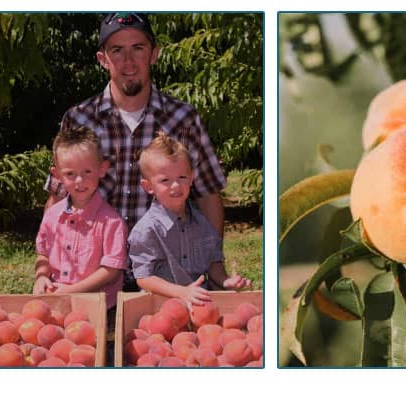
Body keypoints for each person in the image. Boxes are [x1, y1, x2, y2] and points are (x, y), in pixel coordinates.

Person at [43, 13, 227, 290]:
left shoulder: (183, 119)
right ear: (103, 59)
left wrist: (216, 268)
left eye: (138, 48)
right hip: (92, 280)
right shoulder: (79, 119)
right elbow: (58, 199)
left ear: (154, 54)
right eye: (117, 50)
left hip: (167, 279)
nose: (128, 62)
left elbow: (208, 196)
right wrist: (44, 271)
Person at [128, 134, 250, 305]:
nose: (176, 185)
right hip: (162, 305)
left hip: (199, 302)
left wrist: (224, 281)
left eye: (182, 178)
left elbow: (213, 261)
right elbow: (144, 278)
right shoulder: (146, 230)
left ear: (191, 178)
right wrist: (182, 292)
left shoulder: (201, 222)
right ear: (148, 186)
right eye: (165, 180)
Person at [33, 127, 128, 309]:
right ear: (57, 175)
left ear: (102, 169)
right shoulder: (52, 215)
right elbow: (42, 254)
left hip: (99, 306)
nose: (79, 181)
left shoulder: (112, 222)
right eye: (70, 174)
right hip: (57, 299)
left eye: (87, 172)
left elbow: (111, 271)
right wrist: (42, 276)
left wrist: (73, 290)